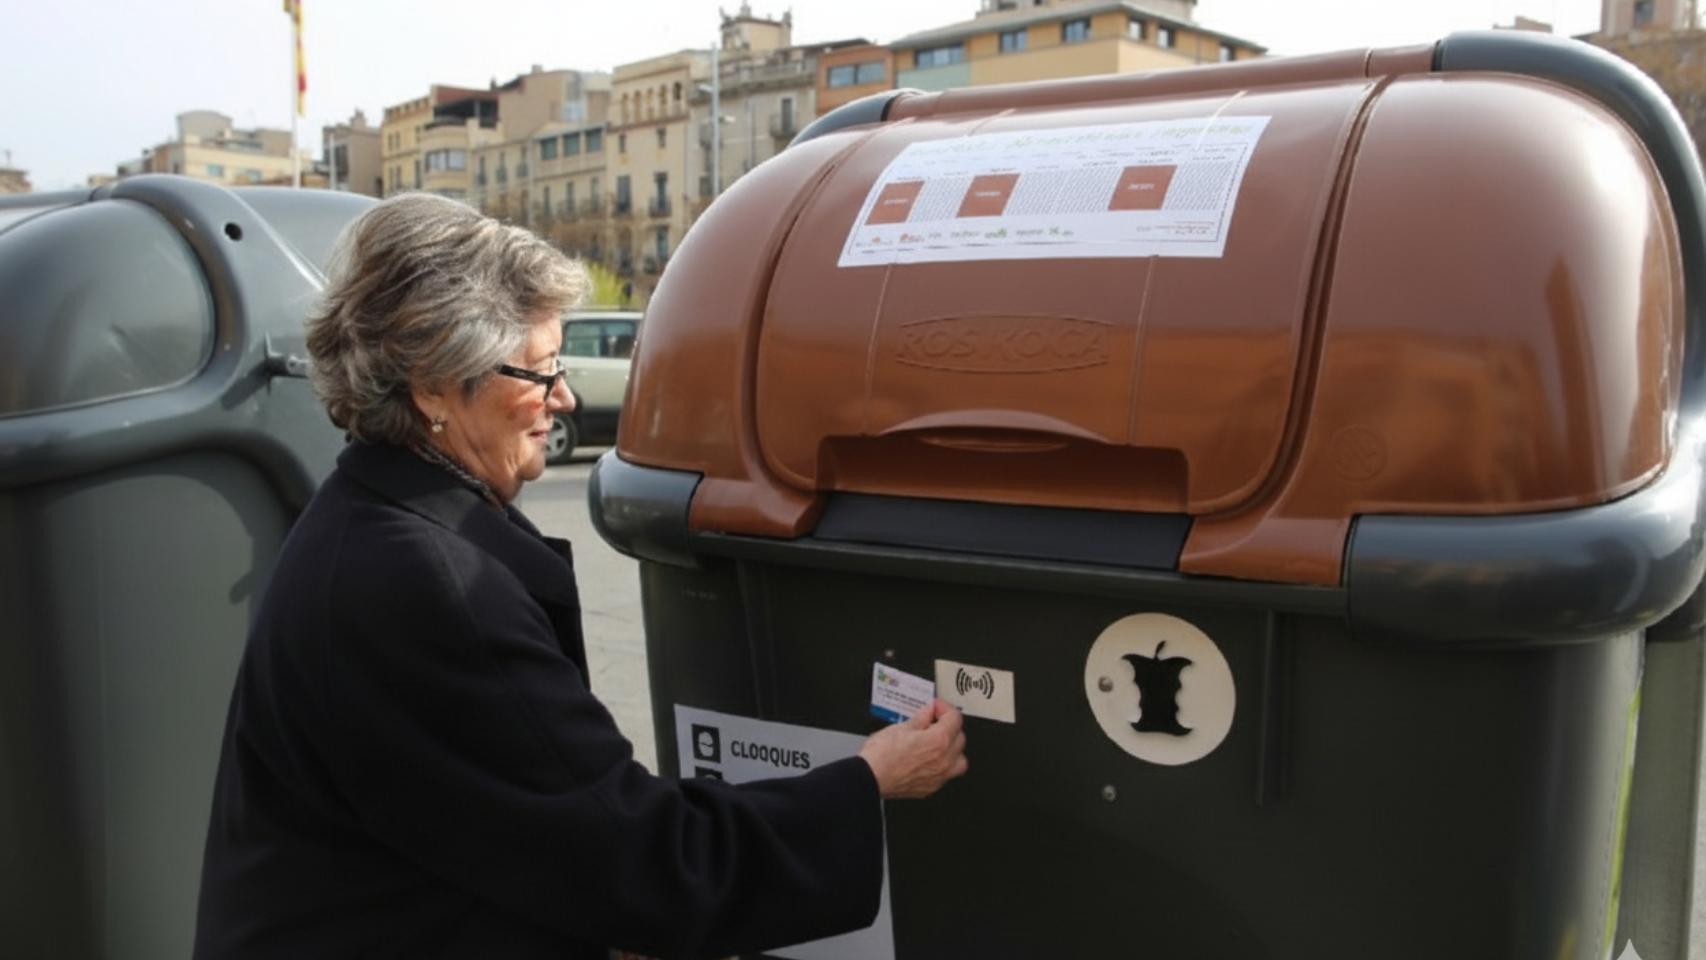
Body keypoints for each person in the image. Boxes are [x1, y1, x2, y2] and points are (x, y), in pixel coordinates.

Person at [193, 193, 968, 959]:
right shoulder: (423, 583)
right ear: (431, 382)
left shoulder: (370, 515)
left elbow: (517, 829)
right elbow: (638, 857)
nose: (561, 396)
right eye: (536, 370)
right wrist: (865, 782)